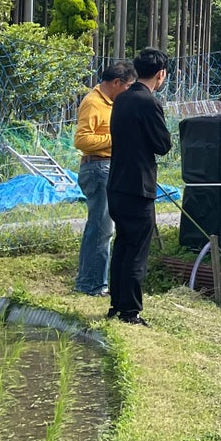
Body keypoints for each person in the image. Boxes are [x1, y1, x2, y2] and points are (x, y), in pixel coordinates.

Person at [107, 47, 171, 325]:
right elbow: (163, 145)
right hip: (138, 184)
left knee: (121, 244)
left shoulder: (121, 99)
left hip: (117, 181)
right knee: (137, 249)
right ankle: (130, 312)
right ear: (161, 74)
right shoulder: (149, 103)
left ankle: (116, 304)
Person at [72, 60, 135, 295]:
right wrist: (115, 138)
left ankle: (94, 281)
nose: (129, 91)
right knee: (101, 229)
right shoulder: (93, 102)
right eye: (128, 86)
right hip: (97, 168)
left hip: (108, 167)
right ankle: (92, 285)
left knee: (104, 228)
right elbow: (82, 141)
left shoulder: (111, 102)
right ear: (116, 82)